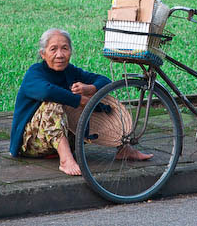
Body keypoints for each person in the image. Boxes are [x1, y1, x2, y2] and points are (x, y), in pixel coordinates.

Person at [10, 28, 152, 176]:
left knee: (100, 99)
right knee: (52, 104)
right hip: (32, 144)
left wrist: (90, 88)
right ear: (43, 54)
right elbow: (47, 91)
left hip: (68, 138)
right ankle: (65, 160)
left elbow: (105, 81)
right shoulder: (35, 72)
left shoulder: (71, 71)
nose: (60, 55)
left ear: (70, 51)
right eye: (53, 49)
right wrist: (79, 100)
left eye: (64, 48)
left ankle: (124, 149)